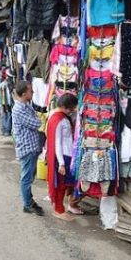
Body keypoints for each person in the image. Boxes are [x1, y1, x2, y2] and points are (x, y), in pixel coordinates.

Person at [45, 95, 80, 221]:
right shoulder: (58, 119)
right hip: (62, 157)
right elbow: (57, 143)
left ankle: (60, 209)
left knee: (64, 184)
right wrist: (61, 163)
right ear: (65, 107)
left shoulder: (57, 117)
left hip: (67, 156)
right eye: (71, 108)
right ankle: (59, 210)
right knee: (60, 185)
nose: (73, 110)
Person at [12, 80, 44, 216]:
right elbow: (36, 122)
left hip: (31, 147)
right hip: (27, 148)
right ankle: (27, 204)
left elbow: (36, 120)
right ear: (24, 93)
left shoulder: (26, 105)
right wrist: (38, 120)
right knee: (27, 177)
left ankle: (29, 201)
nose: (33, 92)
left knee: (29, 176)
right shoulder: (20, 109)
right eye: (30, 91)